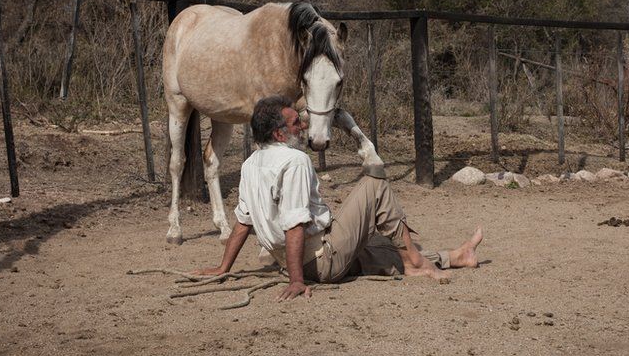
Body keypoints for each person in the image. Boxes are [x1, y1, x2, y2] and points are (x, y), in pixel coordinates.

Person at [193, 95, 483, 301]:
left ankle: (456, 257)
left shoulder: (250, 165)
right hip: (319, 261)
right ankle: (419, 262)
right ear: (280, 134)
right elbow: (294, 224)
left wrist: (223, 268)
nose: (302, 126)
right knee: (374, 185)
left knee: (380, 248)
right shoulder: (293, 161)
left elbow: (242, 223)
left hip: (301, 260)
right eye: (295, 123)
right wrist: (297, 281)